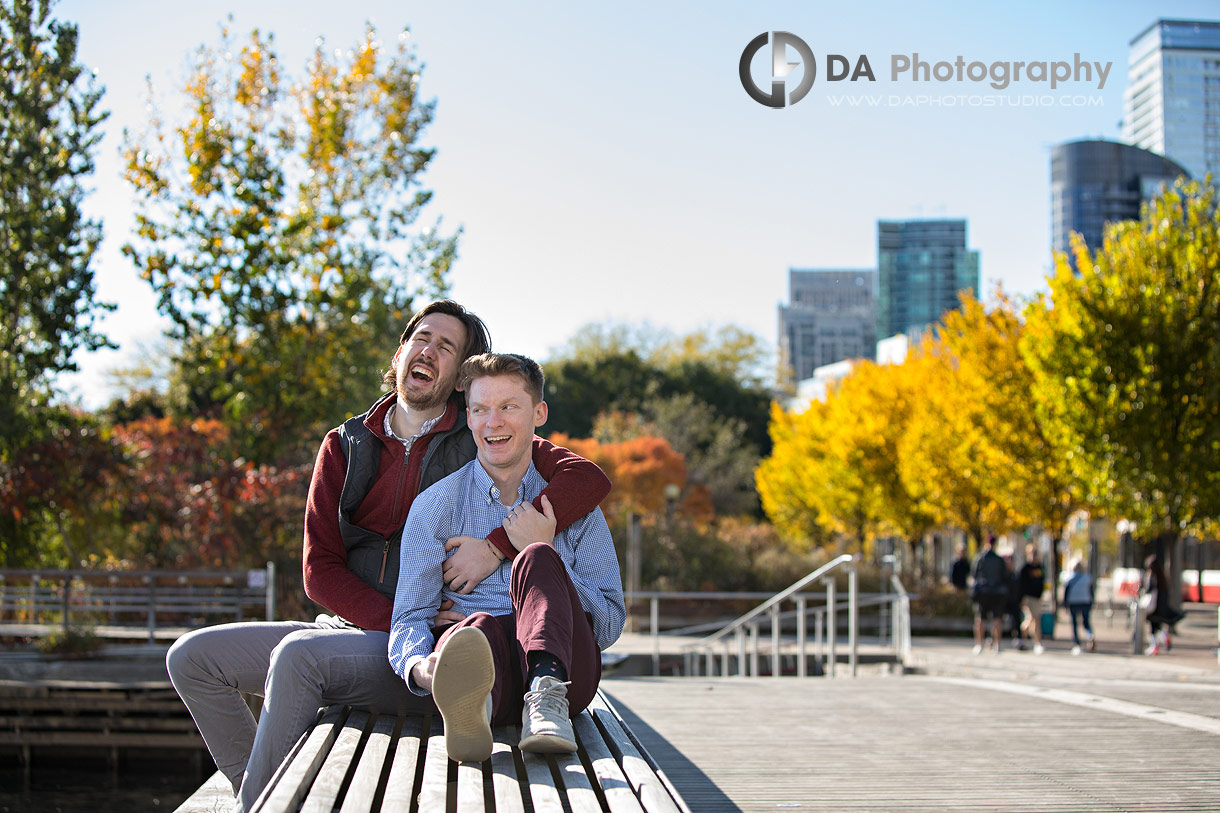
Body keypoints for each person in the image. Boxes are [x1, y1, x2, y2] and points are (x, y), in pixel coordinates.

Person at [165, 301, 611, 811]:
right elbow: (318, 570)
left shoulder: (483, 432)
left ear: (463, 378)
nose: (429, 350)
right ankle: (259, 793)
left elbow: (587, 479)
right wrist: (400, 621)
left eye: (448, 347)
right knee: (192, 658)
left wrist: (493, 551)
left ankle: (263, 804)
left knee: (297, 661)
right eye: (421, 338)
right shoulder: (347, 443)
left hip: (438, 636)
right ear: (400, 352)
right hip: (364, 625)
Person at [388, 353, 625, 762]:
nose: (492, 422)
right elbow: (409, 616)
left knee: (535, 557)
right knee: (475, 632)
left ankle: (544, 699)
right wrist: (421, 668)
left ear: (539, 413)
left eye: (508, 407)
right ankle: (473, 709)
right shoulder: (435, 507)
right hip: (487, 665)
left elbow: (609, 623)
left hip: (569, 676)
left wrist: (550, 557)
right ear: (469, 417)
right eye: (480, 409)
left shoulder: (574, 504)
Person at [970, 535, 1009, 654]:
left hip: (983, 592)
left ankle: (979, 644)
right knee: (997, 619)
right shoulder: (999, 559)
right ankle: (997, 645)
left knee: (981, 619)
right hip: (997, 592)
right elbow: (1004, 576)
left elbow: (974, 575)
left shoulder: (980, 558)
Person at [1142, 554, 1184, 655]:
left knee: (1152, 627)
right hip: (1161, 608)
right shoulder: (1163, 579)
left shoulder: (1152, 577)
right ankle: (1164, 636)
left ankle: (1154, 646)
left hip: (1152, 607)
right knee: (1158, 626)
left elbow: (1148, 590)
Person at [1017, 542, 1046, 655]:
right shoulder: (1025, 568)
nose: (1034, 555)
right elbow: (1021, 585)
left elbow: (1042, 581)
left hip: (1037, 597)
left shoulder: (1040, 567)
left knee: (1035, 619)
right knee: (1033, 619)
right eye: (1032, 553)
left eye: (1035, 553)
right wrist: (1021, 599)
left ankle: (1031, 641)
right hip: (1027, 598)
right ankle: (1026, 639)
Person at [1062, 559, 1095, 655]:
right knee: (1086, 622)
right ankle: (1090, 635)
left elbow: (1066, 592)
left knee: (1074, 623)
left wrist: (1064, 604)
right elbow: (1091, 591)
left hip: (1073, 602)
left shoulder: (1069, 577)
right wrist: (1092, 601)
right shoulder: (1087, 577)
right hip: (1085, 601)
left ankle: (1077, 644)